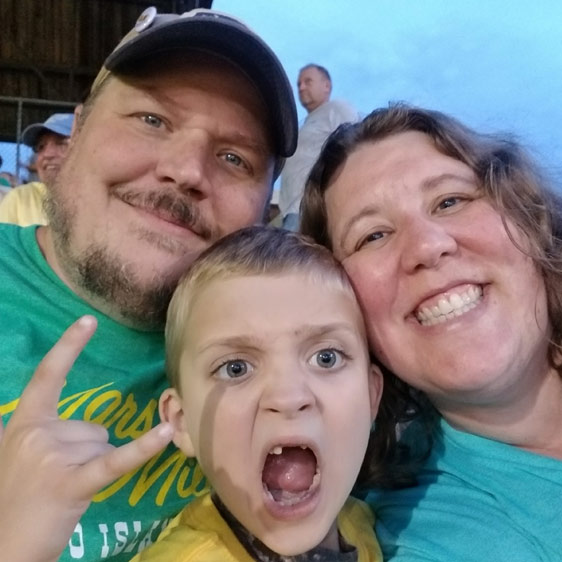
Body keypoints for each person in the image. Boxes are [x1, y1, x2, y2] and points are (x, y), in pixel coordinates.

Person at [0, 7, 297, 562]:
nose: (186, 170)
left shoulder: (290, 347)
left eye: (234, 157)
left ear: (266, 213)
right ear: (76, 133)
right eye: (152, 120)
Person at [300, 103, 562, 561]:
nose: (427, 246)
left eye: (449, 201)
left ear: (525, 216)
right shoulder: (418, 534)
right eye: (373, 236)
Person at [130, 225, 383, 561]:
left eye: (326, 358)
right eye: (236, 368)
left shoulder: (361, 521)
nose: (288, 397)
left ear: (371, 396)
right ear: (182, 421)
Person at [279, 64, 358, 231]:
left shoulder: (336, 108)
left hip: (308, 209)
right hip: (291, 211)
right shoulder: (305, 125)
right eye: (299, 83)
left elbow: (355, 147)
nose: (301, 87)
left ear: (326, 86)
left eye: (308, 81)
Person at [0, 112, 74, 225]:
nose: (47, 154)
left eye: (62, 143)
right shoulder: (20, 200)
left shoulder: (103, 201)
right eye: (41, 147)